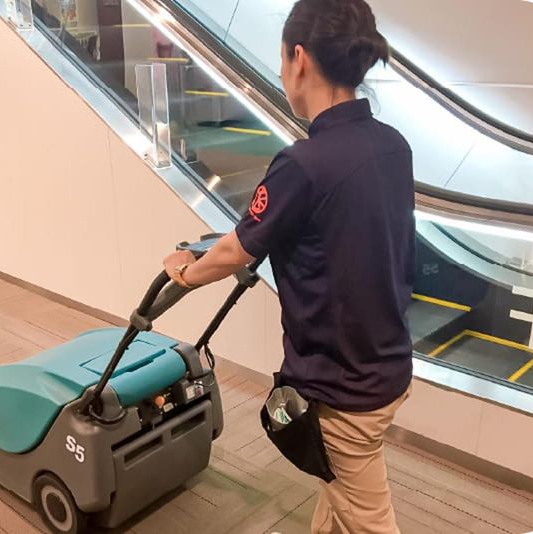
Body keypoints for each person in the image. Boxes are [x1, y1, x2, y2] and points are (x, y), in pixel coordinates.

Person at [162, 0, 414, 532]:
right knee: (341, 487)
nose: (281, 73)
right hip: (387, 363)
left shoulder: (303, 164)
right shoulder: (394, 146)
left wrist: (183, 270)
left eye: (281, 60)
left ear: (299, 59)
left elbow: (234, 252)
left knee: (368, 515)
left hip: (343, 387)